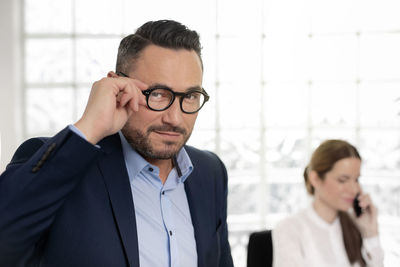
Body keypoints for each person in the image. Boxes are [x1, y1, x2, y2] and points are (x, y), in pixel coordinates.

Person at [0, 20, 234, 267]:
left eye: (190, 97)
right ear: (117, 85)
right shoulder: (61, 162)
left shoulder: (210, 172)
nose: (174, 118)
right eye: (157, 94)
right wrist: (90, 125)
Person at [272, 139, 384, 267]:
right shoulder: (290, 229)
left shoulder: (354, 225)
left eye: (356, 179)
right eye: (343, 180)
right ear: (315, 179)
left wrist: (370, 233)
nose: (354, 189)